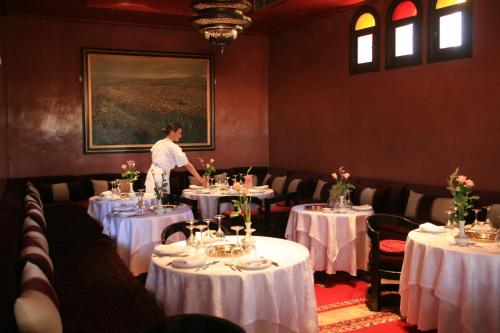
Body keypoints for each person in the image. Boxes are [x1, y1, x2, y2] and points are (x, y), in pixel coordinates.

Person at [145, 123, 206, 194]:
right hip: (160, 176)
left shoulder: (158, 143)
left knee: (151, 201)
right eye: (179, 133)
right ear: (172, 132)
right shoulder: (173, 147)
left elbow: (155, 160)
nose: (180, 136)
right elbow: (187, 165)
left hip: (151, 174)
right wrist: (200, 179)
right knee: (159, 202)